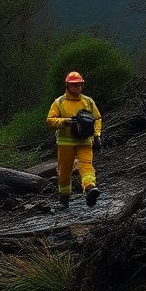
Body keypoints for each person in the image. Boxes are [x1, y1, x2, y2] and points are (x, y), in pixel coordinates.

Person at [44, 71, 103, 209]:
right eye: (74, 85)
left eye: (80, 85)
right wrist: (64, 121)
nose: (78, 88)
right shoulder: (59, 103)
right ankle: (64, 198)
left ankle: (90, 188)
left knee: (86, 164)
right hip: (66, 142)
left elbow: (97, 118)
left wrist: (97, 135)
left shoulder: (88, 101)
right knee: (65, 171)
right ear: (68, 86)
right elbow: (50, 121)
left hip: (85, 140)